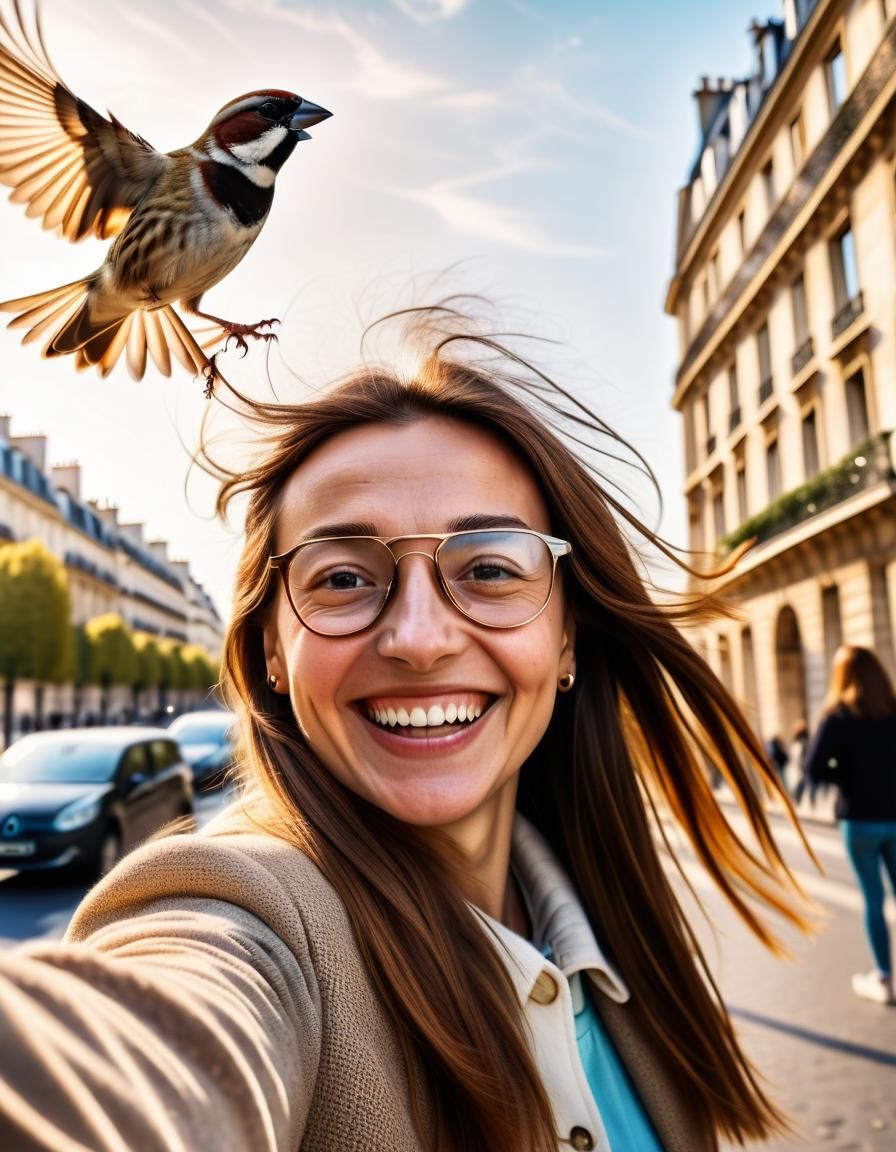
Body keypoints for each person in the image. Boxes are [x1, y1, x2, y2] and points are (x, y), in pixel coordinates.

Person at [0, 309, 810, 1151]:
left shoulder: (608, 926)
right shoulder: (238, 910)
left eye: (489, 568)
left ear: (567, 635)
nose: (420, 638)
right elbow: (145, 1051)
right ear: (272, 648)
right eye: (343, 579)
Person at [804, 644, 896, 1006]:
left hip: (859, 820)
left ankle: (884, 978)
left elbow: (813, 769)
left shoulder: (838, 718)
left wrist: (846, 775)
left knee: (874, 899)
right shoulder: (893, 711)